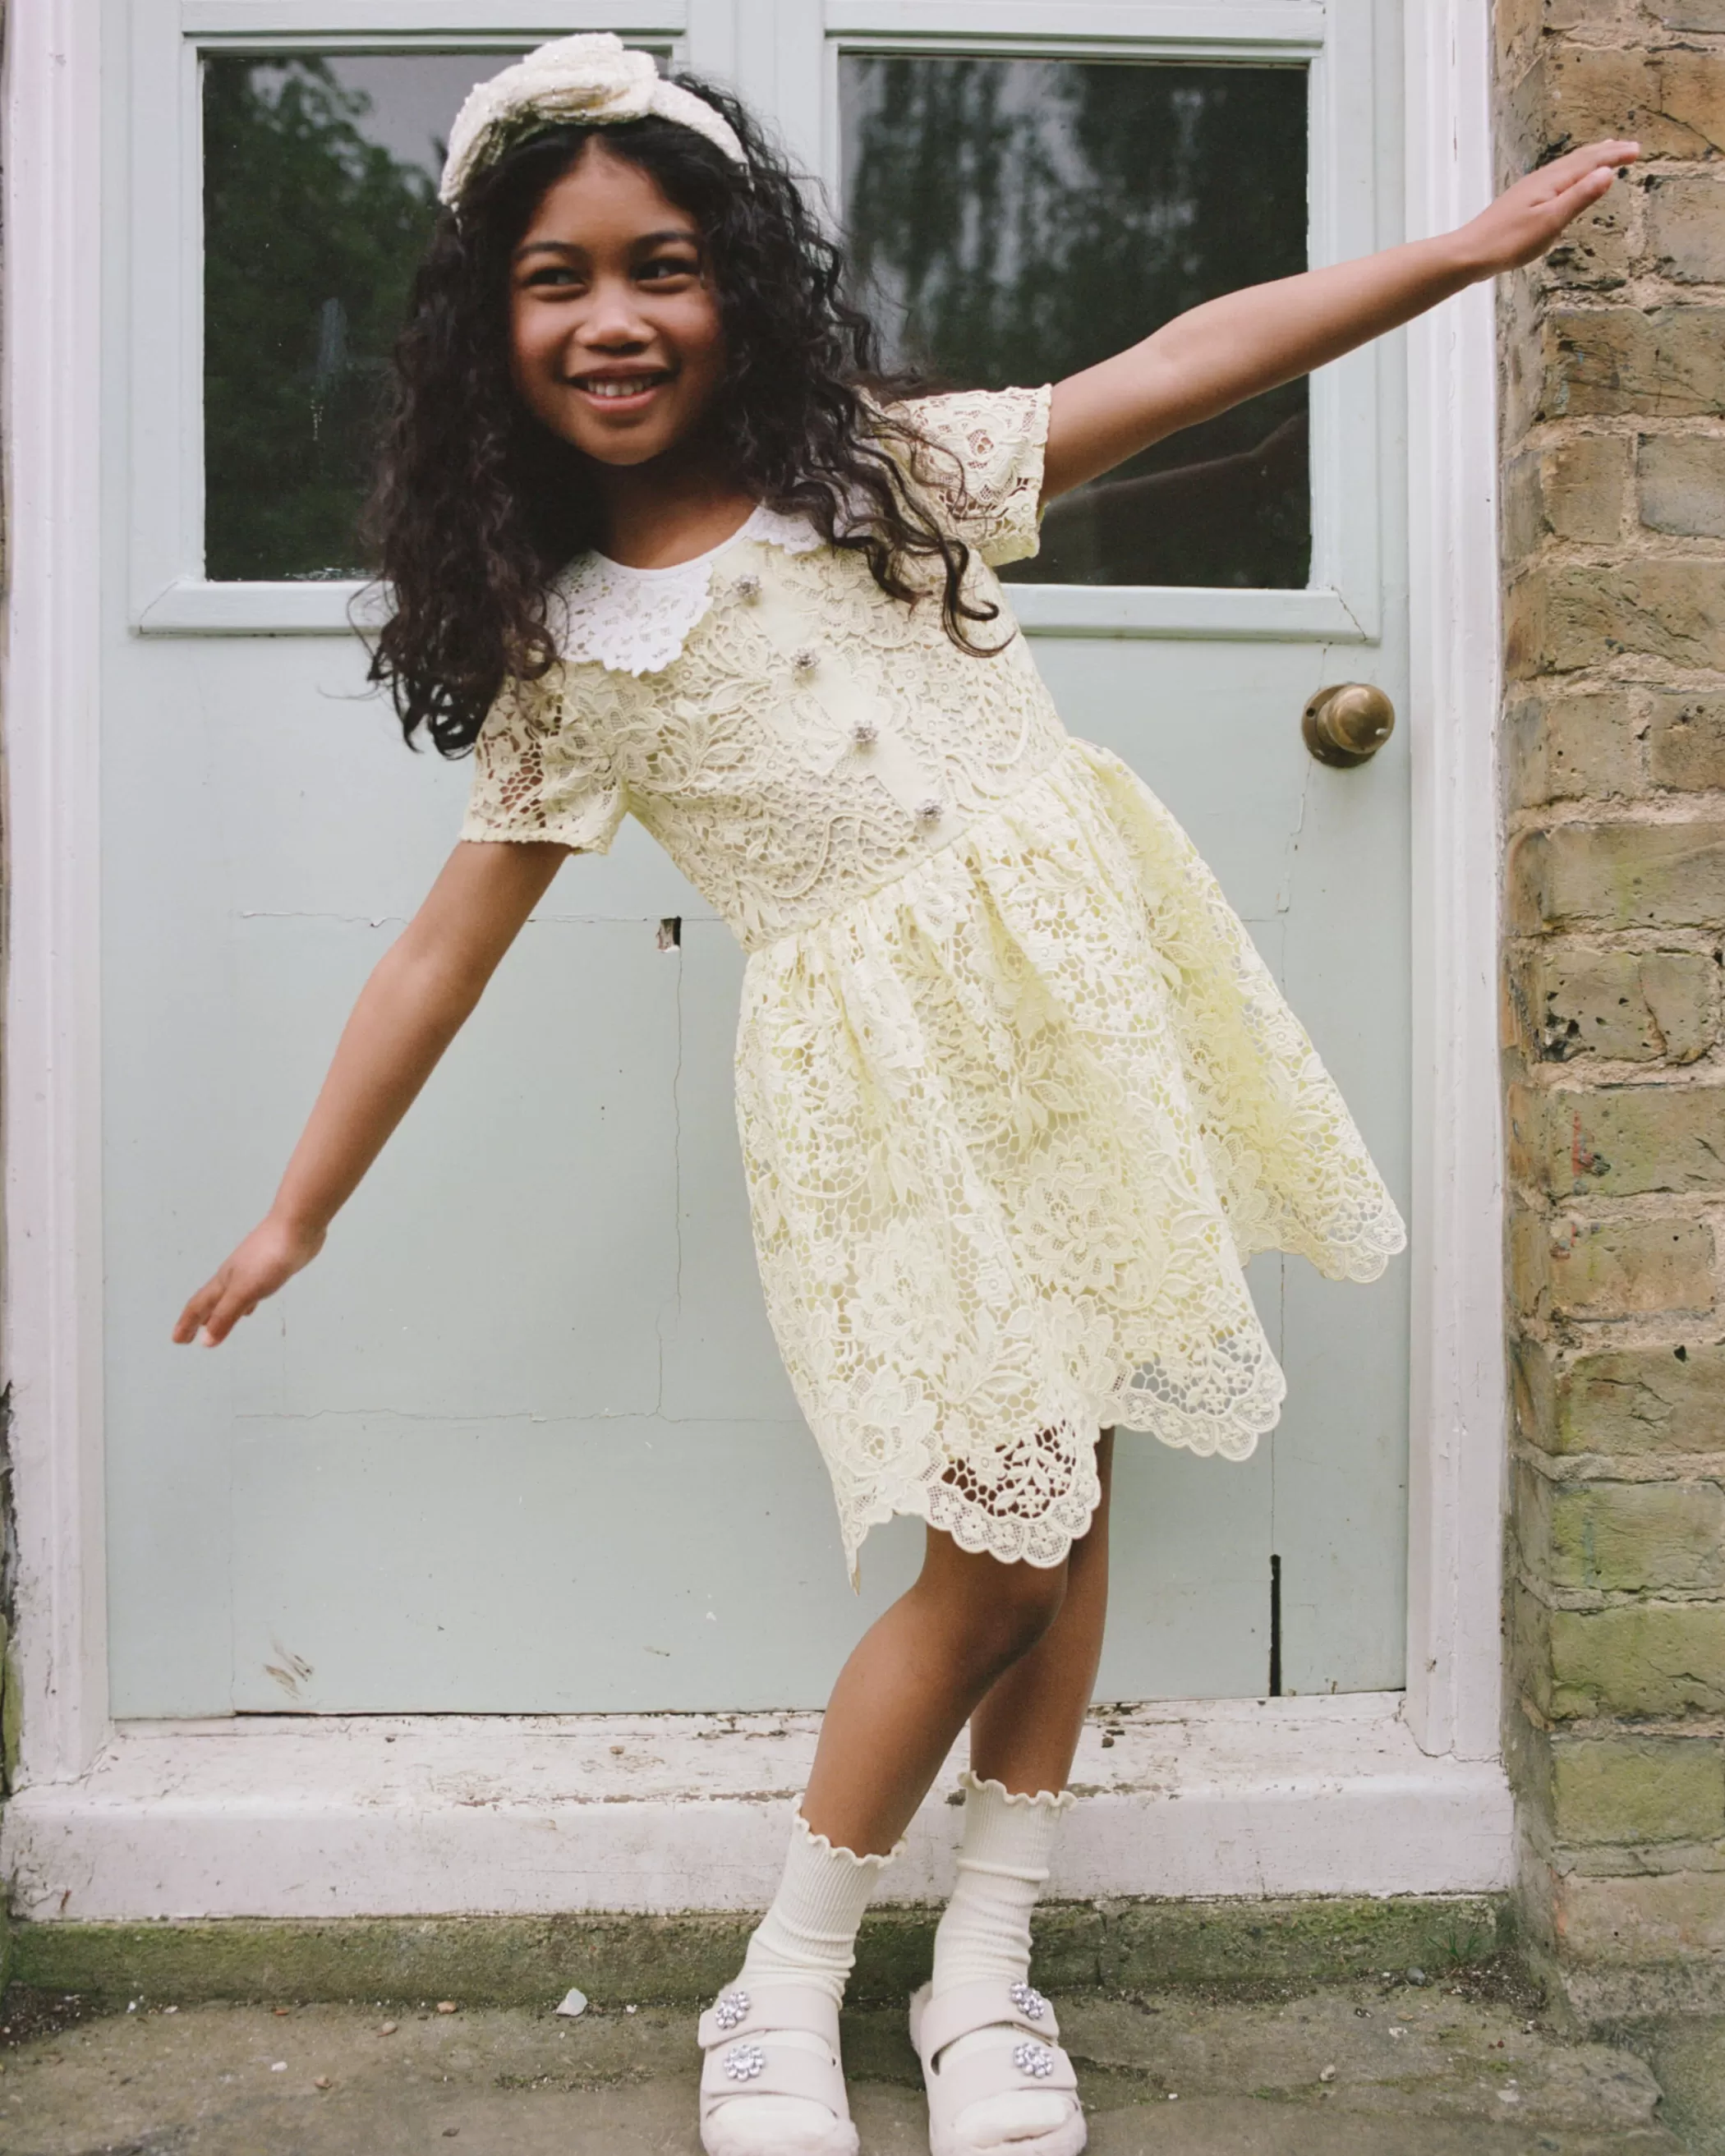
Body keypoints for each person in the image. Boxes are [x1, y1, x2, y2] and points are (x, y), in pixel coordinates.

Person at [174, 36, 1637, 2156]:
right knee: (998, 1556)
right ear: (487, 327)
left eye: (662, 263)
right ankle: (775, 1984)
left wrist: (1471, 248)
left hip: (1084, 1017)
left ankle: (988, 1963)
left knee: (1075, 1480)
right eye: (557, 276)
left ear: (734, 282)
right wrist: (303, 1204)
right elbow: (437, 948)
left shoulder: (874, 476)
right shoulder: (570, 646)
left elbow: (1189, 358)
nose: (615, 316)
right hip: (895, 1107)